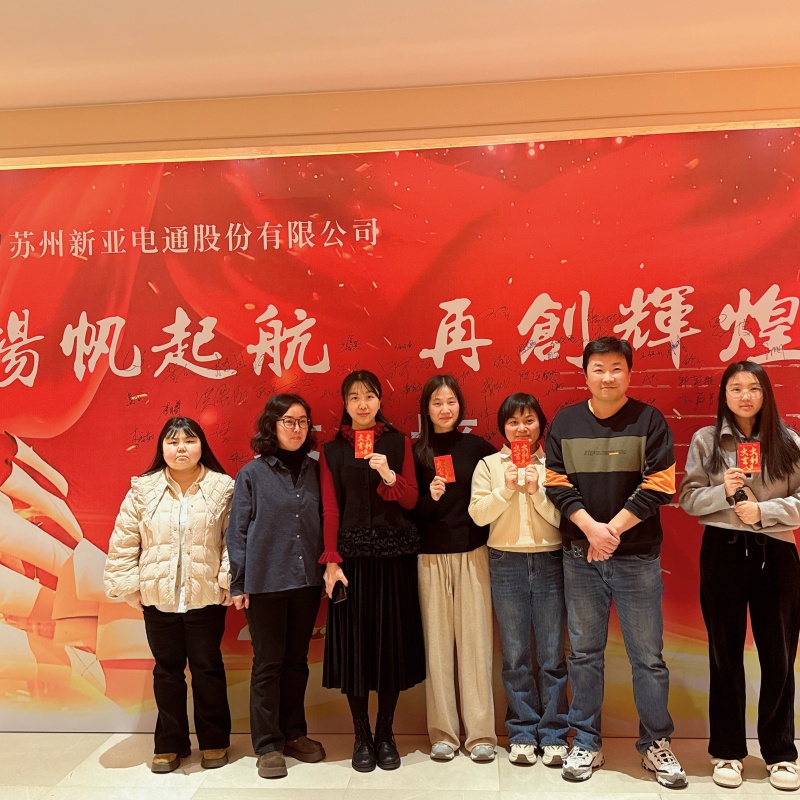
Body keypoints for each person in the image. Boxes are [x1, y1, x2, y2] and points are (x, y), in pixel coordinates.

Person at [544, 336, 686, 788]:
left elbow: (659, 485)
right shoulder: (565, 421)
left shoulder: (650, 419)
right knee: (584, 654)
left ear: (629, 372)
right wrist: (591, 529)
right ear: (585, 373)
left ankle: (656, 743)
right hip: (580, 556)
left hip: (636, 559)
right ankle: (587, 741)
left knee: (648, 658)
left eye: (616, 368)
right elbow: (555, 482)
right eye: (598, 369)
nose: (607, 377)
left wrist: (611, 533)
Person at [679, 361, 800, 791]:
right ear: (724, 395)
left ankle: (780, 753)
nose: (745, 396)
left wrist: (763, 511)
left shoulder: (788, 441)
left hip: (777, 552)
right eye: (736, 388)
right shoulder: (706, 440)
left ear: (766, 393)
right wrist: (724, 492)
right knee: (724, 654)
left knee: (779, 655)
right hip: (723, 551)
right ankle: (728, 751)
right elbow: (688, 498)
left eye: (753, 388)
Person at [104, 416, 234, 774]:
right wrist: (129, 586)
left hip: (206, 595)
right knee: (167, 672)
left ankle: (214, 740)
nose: (181, 449)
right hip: (158, 597)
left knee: (208, 669)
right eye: (173, 442)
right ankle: (170, 743)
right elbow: (124, 540)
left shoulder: (222, 487)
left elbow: (233, 539)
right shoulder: (143, 490)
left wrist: (227, 580)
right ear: (162, 448)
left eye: (189, 441)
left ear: (201, 446)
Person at [319, 369, 425, 772]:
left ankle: (385, 731)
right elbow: (331, 508)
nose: (362, 404)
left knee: (389, 645)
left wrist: (388, 473)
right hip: (351, 561)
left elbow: (411, 500)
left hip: (393, 557)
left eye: (369, 396)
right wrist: (331, 559)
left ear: (380, 401)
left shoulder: (398, 443)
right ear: (345, 405)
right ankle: (361, 733)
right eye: (354, 397)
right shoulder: (331, 451)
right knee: (356, 649)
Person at [227, 394, 326, 779]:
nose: (296, 429)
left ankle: (294, 734)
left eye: (303, 422)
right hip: (265, 582)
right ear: (272, 426)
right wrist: (239, 582)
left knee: (296, 662)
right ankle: (268, 744)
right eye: (288, 421)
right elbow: (237, 531)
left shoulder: (317, 470)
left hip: (306, 581)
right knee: (268, 663)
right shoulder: (252, 474)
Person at [469, 392, 568, 767]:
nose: (521, 428)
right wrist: (507, 488)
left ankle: (554, 732)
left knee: (552, 653)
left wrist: (536, 491)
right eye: (513, 422)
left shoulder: (553, 465)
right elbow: (478, 515)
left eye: (529, 421)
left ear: (541, 425)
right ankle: (523, 732)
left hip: (549, 559)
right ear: (503, 428)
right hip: (505, 561)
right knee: (514, 654)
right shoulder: (489, 465)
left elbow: (562, 518)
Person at [413, 375, 497, 762]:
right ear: (426, 409)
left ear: (460, 406)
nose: (445, 409)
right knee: (438, 648)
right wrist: (428, 498)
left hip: (472, 553)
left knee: (476, 646)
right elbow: (406, 509)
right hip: (430, 557)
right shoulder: (415, 452)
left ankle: (480, 735)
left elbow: (499, 484)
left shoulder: (477, 448)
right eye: (437, 403)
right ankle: (443, 734)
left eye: (451, 402)